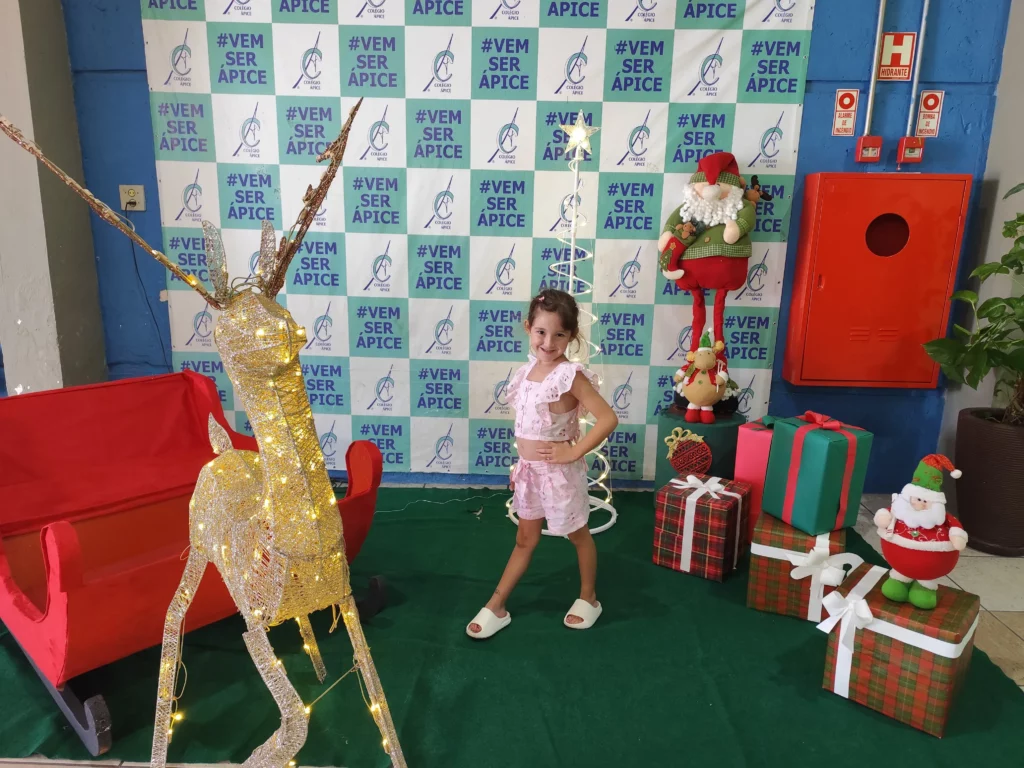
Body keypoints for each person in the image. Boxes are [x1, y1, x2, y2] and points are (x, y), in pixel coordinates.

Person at [466, 289, 618, 639]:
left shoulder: (570, 375)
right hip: (530, 473)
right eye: (541, 332)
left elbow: (608, 418)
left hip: (559, 475)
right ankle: (497, 604)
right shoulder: (526, 372)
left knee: (578, 535)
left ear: (572, 336)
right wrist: (524, 464)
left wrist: (573, 452)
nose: (549, 343)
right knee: (525, 538)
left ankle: (589, 597)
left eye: (559, 334)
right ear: (528, 328)